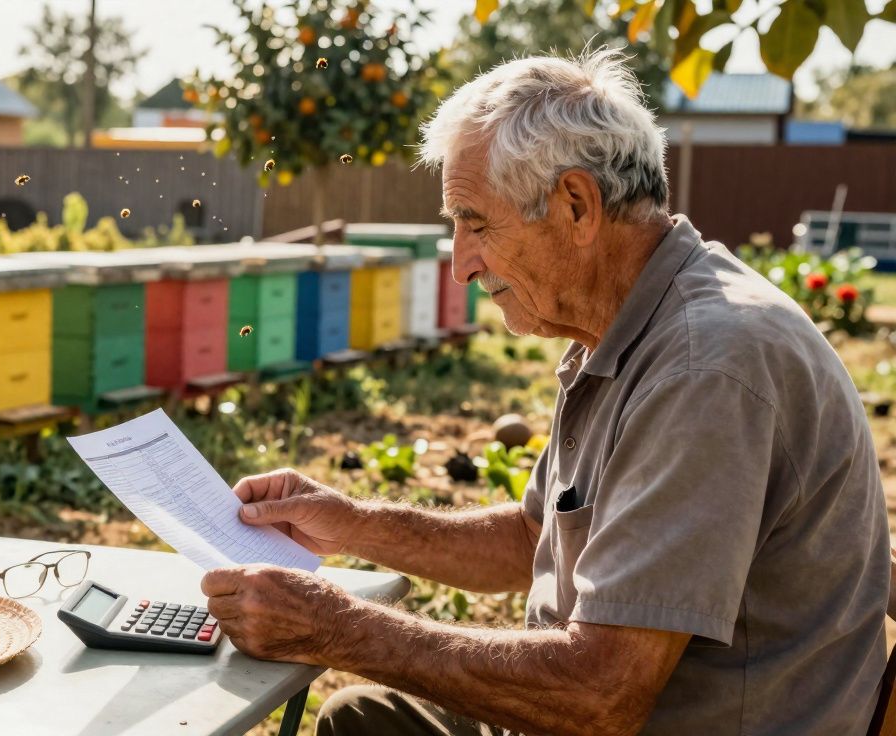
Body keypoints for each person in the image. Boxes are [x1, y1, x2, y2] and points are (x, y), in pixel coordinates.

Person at [201, 49, 889, 735]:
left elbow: (601, 694)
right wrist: (346, 520)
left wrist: (335, 628)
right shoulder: (627, 323)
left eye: (475, 223)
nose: (460, 263)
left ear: (577, 204)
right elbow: (535, 535)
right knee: (364, 719)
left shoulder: (701, 368)